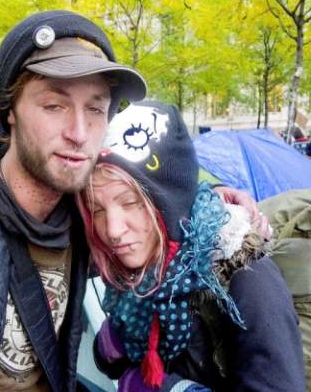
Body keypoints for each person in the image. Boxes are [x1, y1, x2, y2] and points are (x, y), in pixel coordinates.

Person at [0, 10, 266, 392]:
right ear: (9, 110)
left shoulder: (83, 215)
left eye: (95, 109)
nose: (79, 132)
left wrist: (205, 201)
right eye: (54, 105)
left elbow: (149, 196)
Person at [76, 102, 305, 391]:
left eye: (131, 203)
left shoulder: (247, 278)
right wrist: (115, 343)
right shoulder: (137, 270)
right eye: (97, 209)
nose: (113, 230)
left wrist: (173, 389)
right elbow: (113, 362)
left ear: (170, 199)